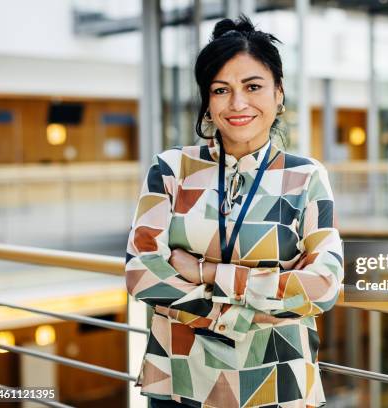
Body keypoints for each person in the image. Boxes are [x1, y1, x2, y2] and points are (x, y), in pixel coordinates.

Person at [125, 15, 344, 408]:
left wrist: (206, 272)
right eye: (221, 90)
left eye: (253, 86)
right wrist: (245, 315)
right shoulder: (171, 169)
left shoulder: (306, 176)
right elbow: (142, 275)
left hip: (279, 384)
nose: (238, 103)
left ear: (279, 93)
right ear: (208, 103)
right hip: (179, 382)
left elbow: (324, 285)